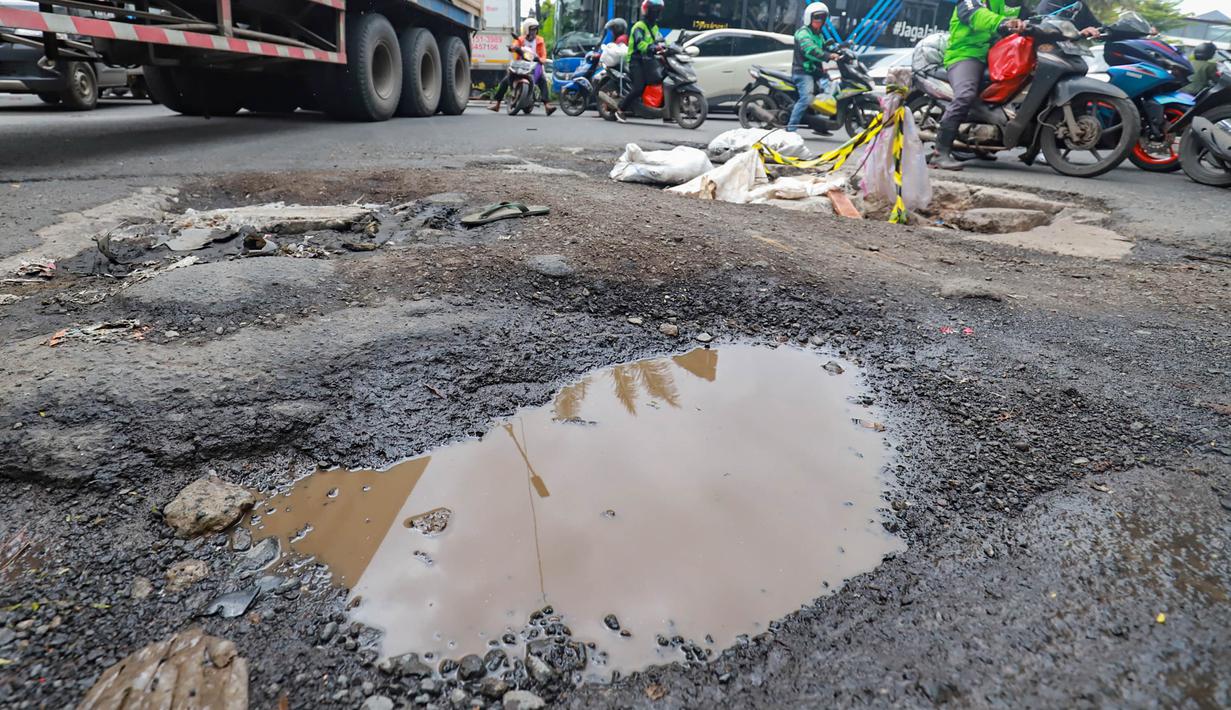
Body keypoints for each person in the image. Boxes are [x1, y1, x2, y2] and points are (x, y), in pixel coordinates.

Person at [932, 0, 1025, 170]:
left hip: (994, 56)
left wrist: (1073, 31)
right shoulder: (968, 2)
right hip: (966, 55)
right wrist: (1004, 23)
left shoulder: (1003, 3)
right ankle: (940, 153)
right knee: (965, 95)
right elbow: (979, 16)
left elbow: (1032, 18)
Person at [788, 2, 839, 134]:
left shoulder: (818, 35)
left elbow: (825, 48)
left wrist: (840, 49)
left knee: (824, 96)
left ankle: (821, 126)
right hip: (803, 72)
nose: (819, 21)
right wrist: (828, 56)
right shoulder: (803, 33)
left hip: (814, 72)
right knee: (806, 98)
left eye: (822, 18)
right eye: (817, 18)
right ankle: (791, 129)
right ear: (809, 18)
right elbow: (810, 50)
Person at [488, 18, 556, 115]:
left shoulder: (540, 41)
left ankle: (547, 105)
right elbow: (515, 44)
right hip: (520, 64)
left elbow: (543, 55)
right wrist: (512, 48)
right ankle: (497, 104)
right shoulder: (520, 39)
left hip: (534, 64)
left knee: (542, 81)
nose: (534, 32)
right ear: (526, 29)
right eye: (532, 29)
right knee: (505, 81)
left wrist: (541, 60)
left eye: (535, 29)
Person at [616, 0, 665, 123]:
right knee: (639, 88)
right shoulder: (639, 26)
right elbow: (640, 44)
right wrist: (652, 48)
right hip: (635, 61)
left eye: (658, 11)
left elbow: (660, 40)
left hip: (648, 61)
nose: (656, 14)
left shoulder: (654, 27)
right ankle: (620, 109)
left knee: (662, 79)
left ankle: (666, 112)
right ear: (649, 11)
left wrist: (667, 47)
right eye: (655, 11)